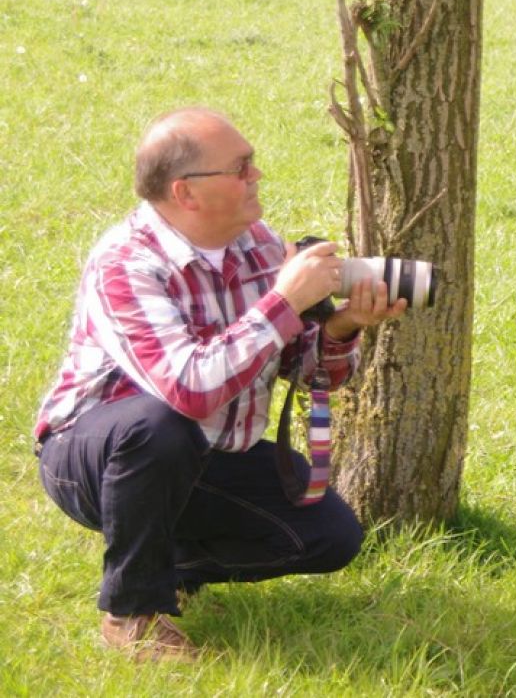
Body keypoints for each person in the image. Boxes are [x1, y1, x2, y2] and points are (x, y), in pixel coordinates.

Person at [33, 107, 407, 662]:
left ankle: (163, 563)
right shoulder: (126, 263)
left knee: (331, 535)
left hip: (210, 453)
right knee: (159, 425)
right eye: (240, 167)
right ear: (185, 192)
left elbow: (305, 370)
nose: (257, 175)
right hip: (95, 456)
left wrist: (342, 326)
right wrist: (285, 300)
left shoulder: (259, 245)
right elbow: (189, 390)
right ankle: (132, 612)